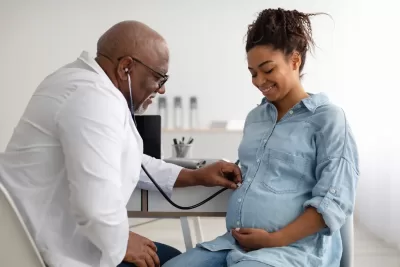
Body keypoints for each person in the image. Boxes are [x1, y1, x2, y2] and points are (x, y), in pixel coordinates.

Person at [0, 21, 242, 267]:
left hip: (43, 235)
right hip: (46, 249)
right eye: (159, 78)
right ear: (126, 67)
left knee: (170, 256)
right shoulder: (94, 99)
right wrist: (122, 242)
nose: (162, 90)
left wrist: (196, 176)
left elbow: (129, 161)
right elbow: (94, 207)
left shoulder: (81, 83)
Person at [163, 7, 359, 267]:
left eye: (267, 69)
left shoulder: (328, 119)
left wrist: (273, 240)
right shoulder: (256, 118)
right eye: (253, 72)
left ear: (295, 61)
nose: (258, 81)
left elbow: (334, 202)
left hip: (294, 252)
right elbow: (267, 174)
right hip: (233, 245)